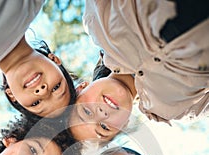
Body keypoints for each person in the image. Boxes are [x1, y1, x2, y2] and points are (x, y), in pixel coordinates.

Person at [77, 0, 209, 124]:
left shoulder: (96, 22)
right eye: (104, 127)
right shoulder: (183, 110)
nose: (101, 114)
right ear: (123, 125)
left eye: (86, 111)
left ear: (80, 88)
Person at [0, 1, 76, 117]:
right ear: (54, 60)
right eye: (57, 87)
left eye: (36, 103)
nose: (42, 91)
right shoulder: (30, 4)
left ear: (11, 95)